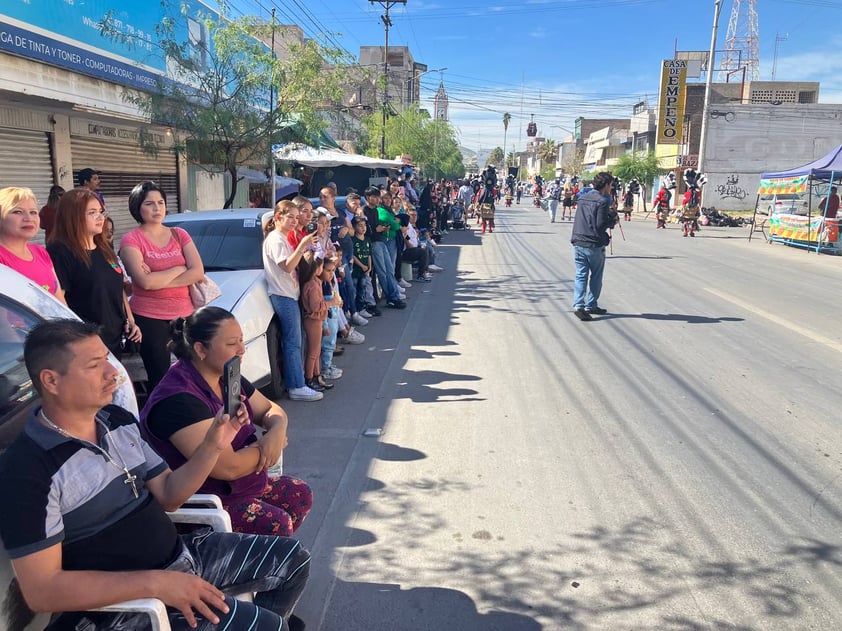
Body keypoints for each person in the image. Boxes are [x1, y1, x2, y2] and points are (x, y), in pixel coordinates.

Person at [0, 319, 309, 631]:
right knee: (269, 627)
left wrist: (213, 445)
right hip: (126, 607)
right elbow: (42, 591)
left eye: (107, 359)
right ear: (51, 381)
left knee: (293, 561)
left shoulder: (116, 421)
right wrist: (156, 583)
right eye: (95, 365)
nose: (113, 373)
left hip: (181, 558)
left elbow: (170, 494)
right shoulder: (28, 470)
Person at [141, 307, 313, 537]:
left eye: (241, 340)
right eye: (232, 344)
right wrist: (266, 448)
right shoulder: (178, 399)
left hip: (245, 483)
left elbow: (271, 409)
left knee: (299, 494)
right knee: (276, 523)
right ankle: (259, 567)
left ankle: (270, 560)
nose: (242, 350)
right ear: (201, 349)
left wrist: (276, 431)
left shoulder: (226, 375)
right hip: (207, 498)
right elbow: (227, 468)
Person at [120, 181, 203, 388]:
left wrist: (160, 277)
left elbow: (198, 272)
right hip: (149, 318)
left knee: (193, 374)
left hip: (184, 316)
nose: (157, 208)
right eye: (149, 204)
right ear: (137, 207)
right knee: (160, 379)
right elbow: (145, 282)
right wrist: (179, 269)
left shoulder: (179, 234)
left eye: (161, 202)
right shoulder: (132, 239)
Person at [48, 188, 141, 356]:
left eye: (101, 212)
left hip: (114, 337)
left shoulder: (104, 248)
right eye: (92, 213)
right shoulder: (60, 252)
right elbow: (59, 302)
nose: (100, 217)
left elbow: (118, 288)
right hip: (86, 343)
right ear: (73, 216)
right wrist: (79, 335)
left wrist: (131, 321)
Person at [262, 200, 323, 401]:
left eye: (297, 217)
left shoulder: (283, 238)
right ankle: (296, 385)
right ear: (278, 217)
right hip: (283, 295)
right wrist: (302, 247)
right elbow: (287, 267)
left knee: (295, 340)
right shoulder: (275, 239)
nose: (294, 221)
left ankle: (298, 383)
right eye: (291, 216)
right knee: (292, 342)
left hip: (289, 293)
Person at [0, 186, 66, 303]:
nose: (29, 218)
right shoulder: (2, 258)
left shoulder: (41, 252)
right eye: (18, 212)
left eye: (33, 212)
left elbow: (60, 303)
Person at [570, 171, 618, 322]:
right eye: (610, 185)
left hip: (578, 241)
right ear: (605, 185)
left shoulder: (583, 197)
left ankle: (579, 305)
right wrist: (613, 221)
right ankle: (591, 304)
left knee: (581, 275)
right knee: (596, 276)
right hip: (593, 244)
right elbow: (600, 225)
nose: (611, 188)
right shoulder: (602, 201)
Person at [363, 187, 405, 309]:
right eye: (374, 197)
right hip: (373, 244)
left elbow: (380, 226)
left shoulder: (376, 211)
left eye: (378, 197)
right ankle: (391, 298)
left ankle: (394, 296)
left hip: (381, 241)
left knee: (389, 270)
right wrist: (375, 229)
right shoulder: (364, 211)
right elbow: (364, 230)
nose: (377, 199)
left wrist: (380, 228)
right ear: (367, 198)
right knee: (383, 272)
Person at [297, 252, 332, 393]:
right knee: (313, 351)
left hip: (317, 320)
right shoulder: (311, 285)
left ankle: (317, 376)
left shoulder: (315, 282)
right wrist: (330, 303)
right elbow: (315, 306)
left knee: (316, 351)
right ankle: (309, 378)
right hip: (312, 320)